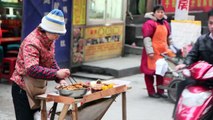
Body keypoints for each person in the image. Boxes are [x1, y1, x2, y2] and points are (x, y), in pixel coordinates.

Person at [10, 9, 71, 120]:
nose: (58, 37)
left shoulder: (50, 40)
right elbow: (32, 69)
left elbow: (51, 61)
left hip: (36, 88)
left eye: (59, 34)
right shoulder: (32, 43)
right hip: (22, 89)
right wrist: (56, 73)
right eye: (56, 33)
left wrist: (60, 79)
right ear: (47, 30)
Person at [175, 9, 213, 104]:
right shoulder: (201, 40)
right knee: (182, 85)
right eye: (211, 23)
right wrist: (185, 64)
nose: (212, 26)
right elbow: (192, 55)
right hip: (203, 79)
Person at [140, 5, 174, 98]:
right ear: (154, 13)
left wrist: (172, 48)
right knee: (149, 73)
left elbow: (169, 38)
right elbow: (147, 38)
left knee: (161, 72)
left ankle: (160, 91)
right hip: (151, 51)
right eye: (158, 12)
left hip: (162, 52)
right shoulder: (150, 24)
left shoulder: (166, 24)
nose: (160, 14)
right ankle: (151, 91)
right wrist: (150, 52)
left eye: (162, 12)